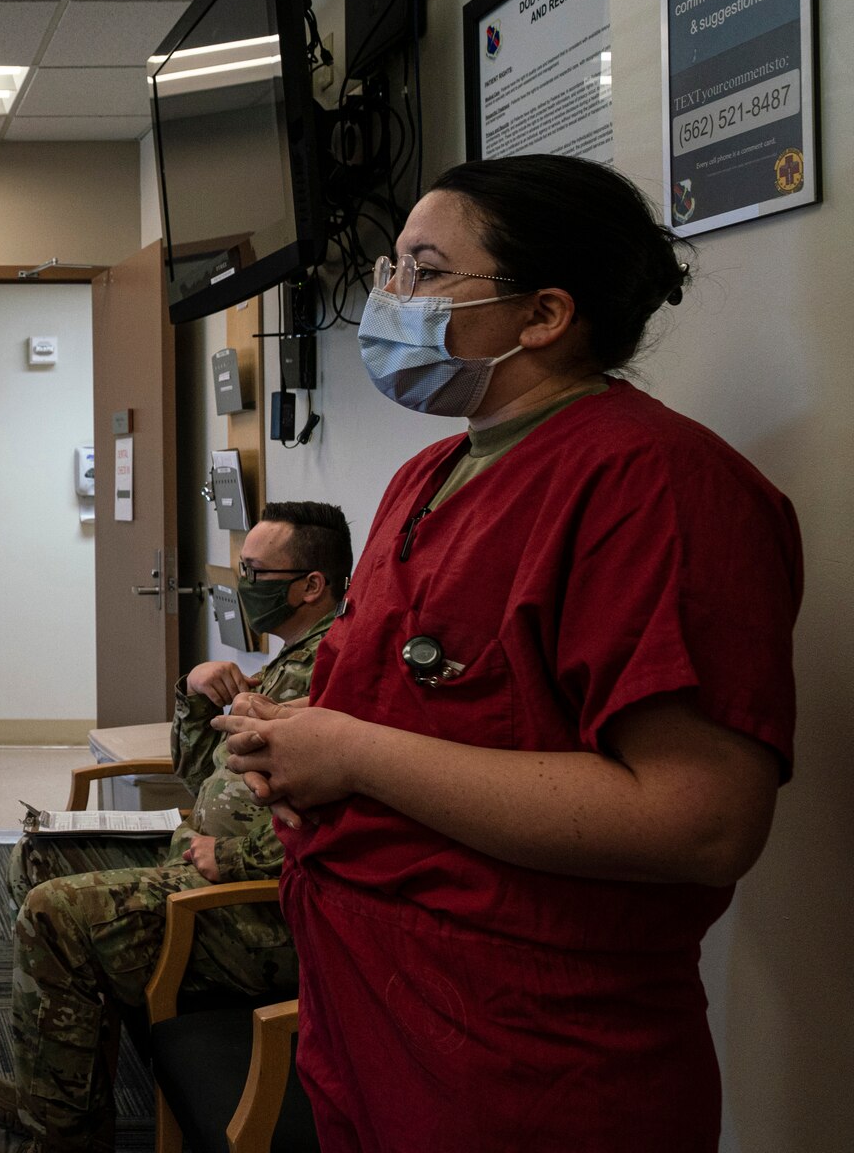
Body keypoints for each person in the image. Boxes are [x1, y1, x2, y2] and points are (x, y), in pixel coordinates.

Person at [216, 155, 802, 1153]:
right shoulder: (425, 476)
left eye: (424, 271)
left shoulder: (655, 486)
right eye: (391, 269)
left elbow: (696, 821)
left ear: (541, 314)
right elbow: (428, 703)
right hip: (367, 1008)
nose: (387, 299)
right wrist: (297, 733)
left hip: (525, 1054)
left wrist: (352, 754)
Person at [0, 504, 349, 1153]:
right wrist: (195, 694)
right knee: (39, 858)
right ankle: (62, 1090)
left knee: (54, 914)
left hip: (254, 912)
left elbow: (343, 813)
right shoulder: (288, 661)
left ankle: (60, 1133)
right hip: (194, 857)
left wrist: (231, 856)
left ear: (312, 585)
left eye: (257, 571)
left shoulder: (340, 672)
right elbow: (204, 778)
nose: (242, 583)